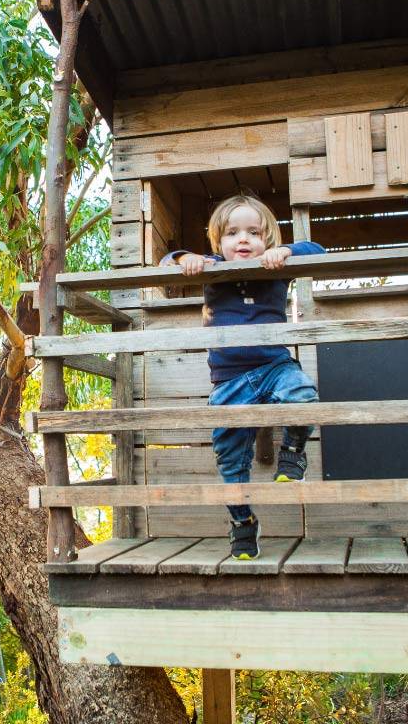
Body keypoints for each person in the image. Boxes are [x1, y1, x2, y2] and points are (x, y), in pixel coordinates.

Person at [161, 192, 325, 560]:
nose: (244, 239)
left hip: (274, 367)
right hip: (229, 382)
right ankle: (242, 523)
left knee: (302, 394)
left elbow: (318, 249)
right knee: (230, 460)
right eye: (233, 233)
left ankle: (294, 453)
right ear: (218, 242)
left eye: (253, 232)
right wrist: (187, 258)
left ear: (267, 238)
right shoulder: (213, 267)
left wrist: (287, 253)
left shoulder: (276, 269)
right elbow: (166, 259)